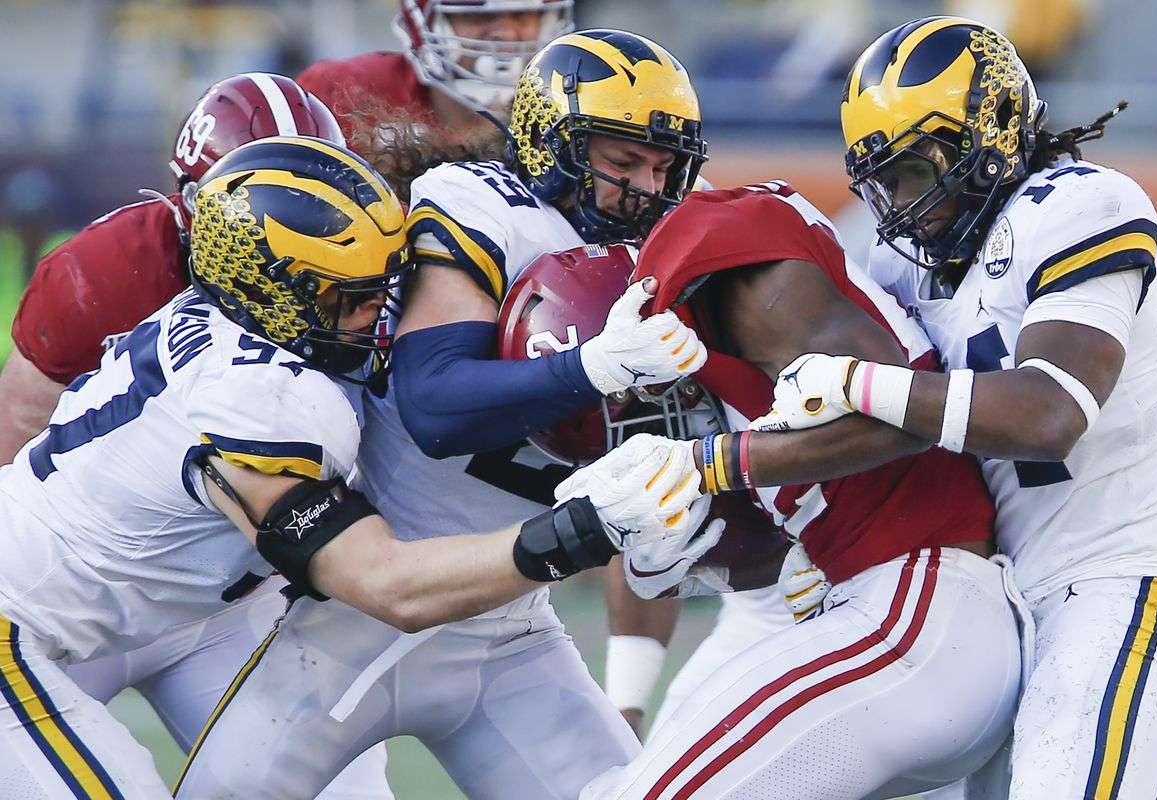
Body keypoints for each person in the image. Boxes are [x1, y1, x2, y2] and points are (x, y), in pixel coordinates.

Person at [0, 135, 703, 800]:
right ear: (267, 288)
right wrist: (579, 531)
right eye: (351, 297)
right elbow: (386, 585)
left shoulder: (244, 334)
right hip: (22, 621)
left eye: (386, 289)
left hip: (172, 610)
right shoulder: (256, 399)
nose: (379, 315)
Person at [172, 28, 710, 800]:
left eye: (664, 168)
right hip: (355, 616)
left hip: (512, 628)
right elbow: (434, 406)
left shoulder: (666, 252)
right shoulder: (481, 203)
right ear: (547, 140)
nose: (644, 190)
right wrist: (589, 367)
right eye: (620, 161)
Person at [754, 16, 1157, 799]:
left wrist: (859, 382)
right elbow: (896, 436)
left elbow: (1049, 411)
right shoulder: (903, 262)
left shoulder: (1083, 203)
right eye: (884, 183)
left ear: (988, 132)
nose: (902, 206)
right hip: (996, 595)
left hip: (1121, 573)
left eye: (916, 176)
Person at [501, 179, 1024, 798]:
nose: (638, 435)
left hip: (924, 612)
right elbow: (767, 541)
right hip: (887, 623)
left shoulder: (725, 261)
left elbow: (904, 416)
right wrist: (676, 558)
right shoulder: (712, 341)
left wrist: (709, 464)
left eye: (625, 416)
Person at [0, 72, 396, 800]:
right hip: (64, 595)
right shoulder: (109, 273)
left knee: (341, 790)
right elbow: (16, 432)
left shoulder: (347, 275)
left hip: (214, 595)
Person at [296, 0, 573, 138]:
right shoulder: (342, 92)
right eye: (478, 15)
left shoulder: (574, 107)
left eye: (524, 15)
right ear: (421, 26)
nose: (506, 34)